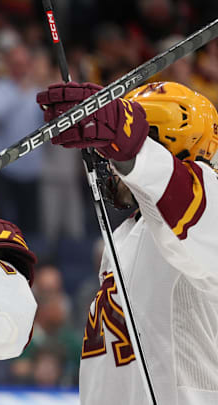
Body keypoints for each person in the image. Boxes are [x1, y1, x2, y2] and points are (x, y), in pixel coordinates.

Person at [37, 81, 218, 404]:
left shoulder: (207, 206)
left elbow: (186, 198)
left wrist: (129, 144)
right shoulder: (122, 239)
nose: (109, 160)